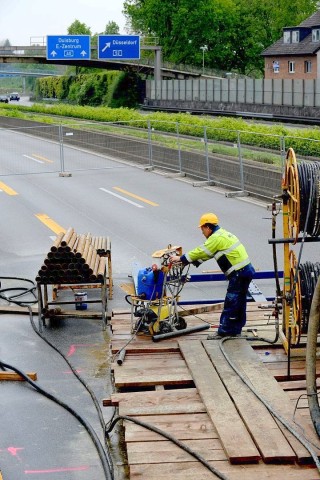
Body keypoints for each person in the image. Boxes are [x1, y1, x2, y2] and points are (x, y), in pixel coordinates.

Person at [170, 212, 255, 338]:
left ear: (208, 227)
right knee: (239, 302)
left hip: (239, 273)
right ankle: (236, 329)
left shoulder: (215, 238)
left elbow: (201, 251)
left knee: (232, 301)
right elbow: (207, 254)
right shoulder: (223, 234)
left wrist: (181, 259)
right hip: (246, 270)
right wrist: (187, 261)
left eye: (203, 229)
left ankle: (225, 332)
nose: (202, 232)